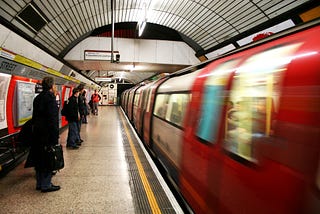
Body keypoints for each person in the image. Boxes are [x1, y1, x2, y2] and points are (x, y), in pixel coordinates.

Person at [24, 76, 61, 192]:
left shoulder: (38, 98)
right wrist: (55, 137)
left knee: (39, 158)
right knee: (47, 158)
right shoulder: (50, 99)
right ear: (52, 86)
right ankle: (46, 185)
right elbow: (52, 120)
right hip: (47, 134)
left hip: (37, 133)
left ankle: (39, 183)